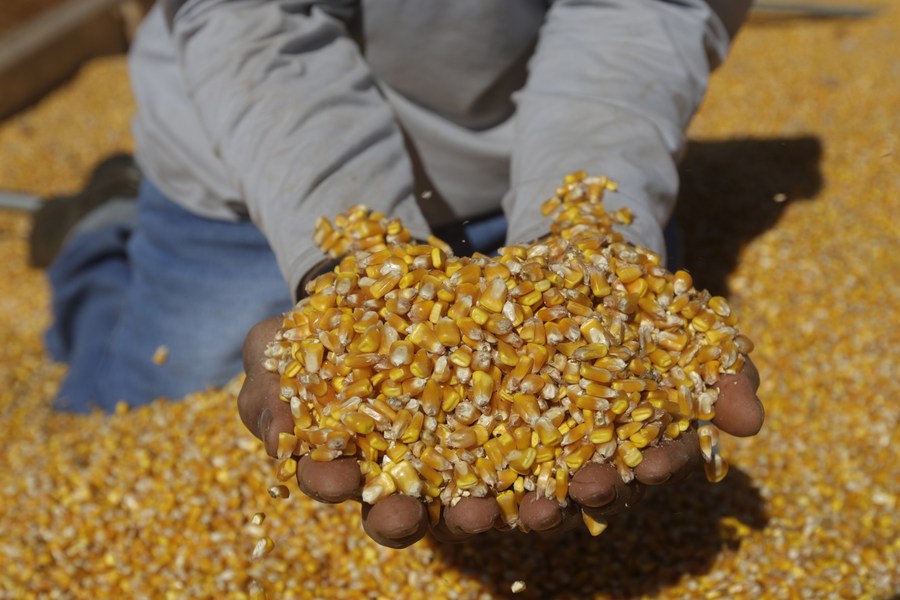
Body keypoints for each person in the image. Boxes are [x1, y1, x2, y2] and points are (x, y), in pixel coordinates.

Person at [37, 0, 764, 547]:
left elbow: (641, 15)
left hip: (545, 156)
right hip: (256, 148)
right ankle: (97, 234)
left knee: (622, 354)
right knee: (137, 397)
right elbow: (257, 23)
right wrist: (360, 270)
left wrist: (589, 235)